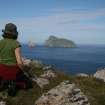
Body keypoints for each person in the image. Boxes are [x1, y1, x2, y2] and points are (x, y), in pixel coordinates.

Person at [0, 23, 32, 96]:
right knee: (29, 85)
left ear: (5, 32)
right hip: (13, 71)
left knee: (5, 75)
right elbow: (19, 63)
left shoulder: (0, 42)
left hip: (1, 70)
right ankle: (14, 84)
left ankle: (5, 82)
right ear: (15, 34)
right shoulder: (16, 44)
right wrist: (25, 71)